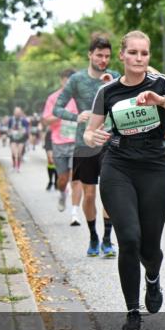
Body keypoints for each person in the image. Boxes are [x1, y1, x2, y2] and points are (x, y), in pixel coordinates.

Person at [84, 31, 165, 330]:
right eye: (133, 53)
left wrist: (162, 101)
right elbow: (90, 132)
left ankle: (152, 277)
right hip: (118, 165)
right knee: (128, 238)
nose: (139, 59)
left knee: (150, 246)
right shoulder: (108, 91)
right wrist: (92, 136)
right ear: (122, 56)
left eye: (144, 53)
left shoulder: (161, 83)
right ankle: (132, 312)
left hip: (154, 167)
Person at [55, 35, 121, 257]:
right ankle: (93, 236)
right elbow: (57, 108)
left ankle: (107, 239)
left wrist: (111, 85)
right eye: (99, 55)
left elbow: (124, 102)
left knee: (110, 193)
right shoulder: (76, 80)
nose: (103, 60)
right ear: (90, 55)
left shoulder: (115, 77)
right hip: (84, 143)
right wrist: (76, 116)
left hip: (110, 142)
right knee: (90, 194)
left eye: (107, 56)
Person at [43, 69, 84, 221]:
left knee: (76, 177)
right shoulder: (54, 98)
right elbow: (46, 119)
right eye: (67, 80)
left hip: (77, 142)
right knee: (62, 179)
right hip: (59, 142)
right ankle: (62, 193)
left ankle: (74, 213)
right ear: (62, 81)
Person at [6, 107, 30, 171]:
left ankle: (18, 167)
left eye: (19, 112)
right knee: (14, 152)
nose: (17, 113)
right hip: (13, 137)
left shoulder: (24, 120)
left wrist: (24, 131)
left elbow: (27, 128)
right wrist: (10, 132)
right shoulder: (11, 119)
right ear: (14, 112)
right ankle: (14, 166)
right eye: (16, 112)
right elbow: (8, 128)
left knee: (19, 153)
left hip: (21, 138)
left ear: (20, 112)